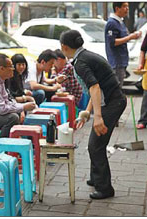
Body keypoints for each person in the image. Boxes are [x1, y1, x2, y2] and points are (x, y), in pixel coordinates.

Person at [60, 30, 127, 199]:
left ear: (64, 47)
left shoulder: (81, 62)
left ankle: (105, 189)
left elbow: (95, 88)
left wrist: (97, 117)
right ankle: (96, 178)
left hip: (113, 103)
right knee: (95, 144)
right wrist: (87, 112)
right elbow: (94, 89)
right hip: (112, 100)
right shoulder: (85, 56)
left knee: (95, 146)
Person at [105, 2, 141, 87]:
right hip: (117, 61)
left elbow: (124, 37)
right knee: (116, 88)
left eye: (128, 6)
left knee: (119, 86)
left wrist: (133, 36)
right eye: (124, 6)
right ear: (117, 8)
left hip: (122, 60)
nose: (127, 9)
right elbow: (112, 42)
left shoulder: (120, 21)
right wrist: (130, 37)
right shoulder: (112, 23)